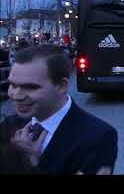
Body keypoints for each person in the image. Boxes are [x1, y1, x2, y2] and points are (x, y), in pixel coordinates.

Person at [0, 45, 118, 174]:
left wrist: (34, 164)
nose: (16, 96)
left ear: (62, 86)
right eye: (12, 84)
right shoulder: (9, 126)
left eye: (30, 87)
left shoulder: (98, 136)